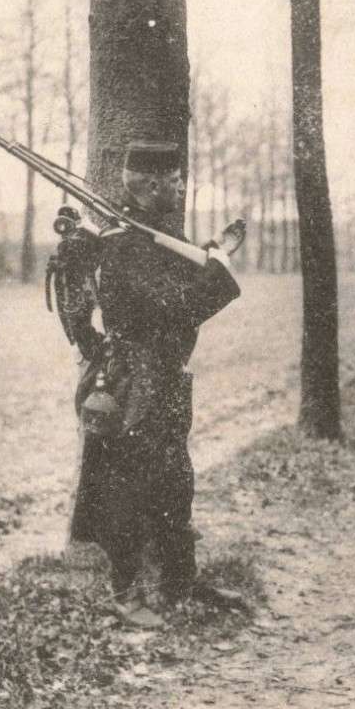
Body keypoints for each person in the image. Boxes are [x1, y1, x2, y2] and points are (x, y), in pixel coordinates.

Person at [70, 140, 244, 625]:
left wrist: (212, 254)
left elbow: (175, 282)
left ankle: (179, 583)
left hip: (161, 377)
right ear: (151, 184)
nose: (182, 186)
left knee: (173, 482)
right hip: (135, 383)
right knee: (127, 488)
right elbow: (177, 307)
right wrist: (221, 271)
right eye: (175, 179)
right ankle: (126, 596)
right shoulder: (127, 246)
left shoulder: (146, 236)